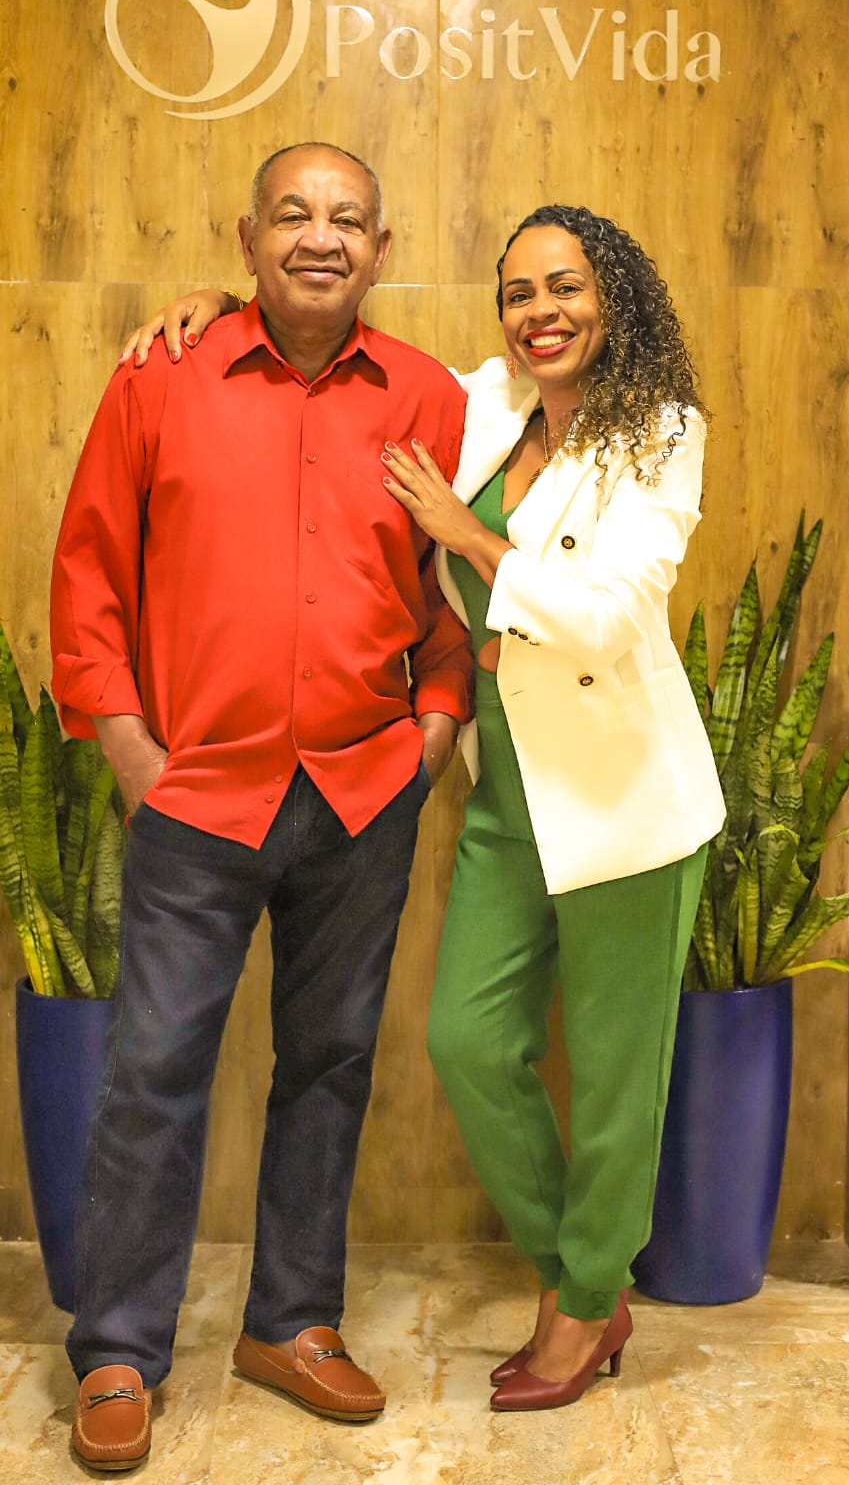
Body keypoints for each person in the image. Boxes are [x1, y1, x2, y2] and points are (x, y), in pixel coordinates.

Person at [123, 202, 726, 1416]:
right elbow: (331, 350)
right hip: (507, 789)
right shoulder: (485, 403)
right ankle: (578, 1274)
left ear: (613, 297)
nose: (541, 312)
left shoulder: (661, 431)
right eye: (519, 292)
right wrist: (220, 306)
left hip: (623, 793)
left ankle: (582, 1300)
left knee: (618, 1076)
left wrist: (467, 537)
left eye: (566, 286)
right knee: (467, 1040)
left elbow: (611, 614)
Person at [50, 141, 473, 1471]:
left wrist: (433, 727)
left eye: (348, 218)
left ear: (382, 250)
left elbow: (455, 586)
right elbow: (88, 569)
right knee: (153, 1071)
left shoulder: (430, 397)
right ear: (247, 239)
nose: (320, 236)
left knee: (331, 1066)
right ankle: (118, 1350)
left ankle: (290, 1323)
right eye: (293, 213)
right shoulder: (159, 375)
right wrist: (130, 751)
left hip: (361, 790)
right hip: (198, 793)